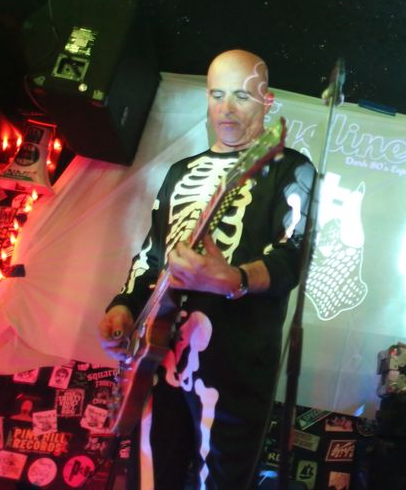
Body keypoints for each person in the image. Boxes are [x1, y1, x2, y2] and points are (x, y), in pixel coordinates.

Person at [97, 49, 315, 489]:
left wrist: (233, 279)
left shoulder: (291, 168)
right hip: (156, 355)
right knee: (148, 479)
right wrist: (123, 306)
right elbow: (152, 256)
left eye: (241, 96)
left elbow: (292, 258)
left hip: (233, 367)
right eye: (217, 95)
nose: (227, 109)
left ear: (267, 101)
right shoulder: (181, 172)